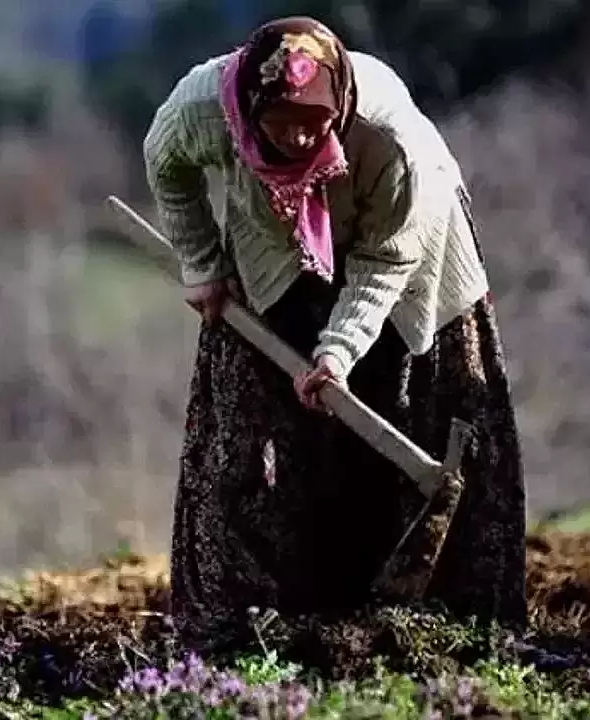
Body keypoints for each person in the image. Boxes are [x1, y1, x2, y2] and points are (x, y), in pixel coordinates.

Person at [141, 16, 528, 655]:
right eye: (279, 122)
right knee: (253, 420)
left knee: (406, 398)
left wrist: (338, 353)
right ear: (247, 110)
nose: (297, 135)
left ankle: (446, 616)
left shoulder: (390, 143)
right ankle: (253, 618)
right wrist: (202, 264)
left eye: (312, 121)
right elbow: (165, 159)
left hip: (406, 252)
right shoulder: (206, 107)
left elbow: (384, 264)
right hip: (272, 247)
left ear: (338, 106)